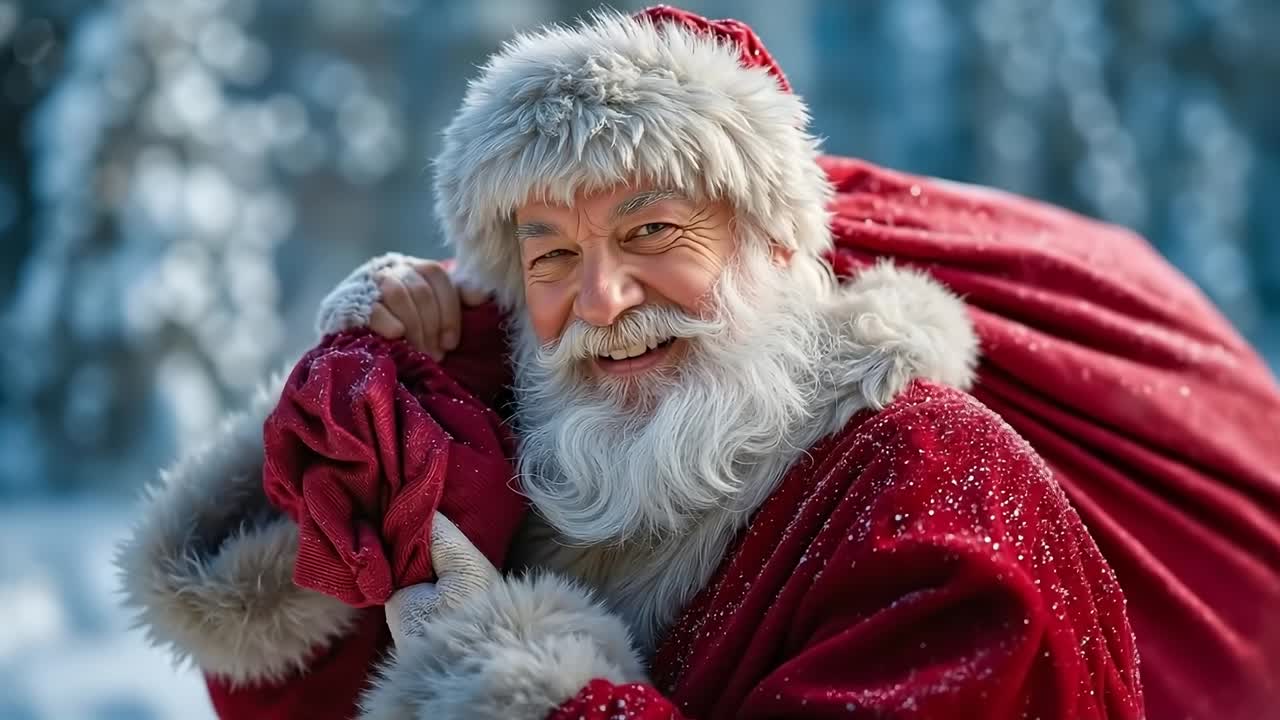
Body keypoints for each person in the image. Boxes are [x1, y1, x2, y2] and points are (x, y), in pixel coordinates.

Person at [118, 6, 1280, 719]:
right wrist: (385, 387)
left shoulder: (933, 486)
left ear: (778, 239)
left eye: (652, 234)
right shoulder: (542, 466)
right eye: (552, 256)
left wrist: (524, 689)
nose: (603, 299)